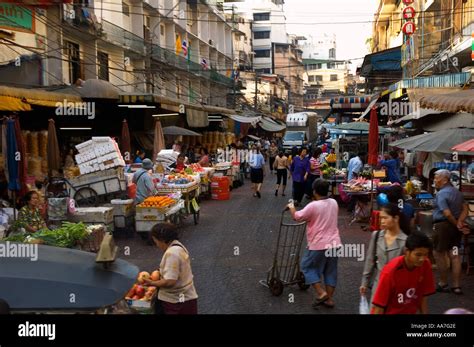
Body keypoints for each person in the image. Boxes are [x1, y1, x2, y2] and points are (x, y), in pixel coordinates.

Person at [288, 179, 341, 309]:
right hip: (334, 243)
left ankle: (321, 293)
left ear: (315, 191)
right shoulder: (334, 202)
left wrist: (291, 207)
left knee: (306, 266)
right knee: (330, 271)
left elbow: (297, 217)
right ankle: (329, 300)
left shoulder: (313, 205)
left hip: (319, 244)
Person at [371, 232, 436, 314]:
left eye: (425, 254)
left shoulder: (426, 265)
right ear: (407, 251)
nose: (422, 259)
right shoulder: (390, 271)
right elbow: (379, 306)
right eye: (418, 255)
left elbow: (423, 297)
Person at [360, 203, 410, 304]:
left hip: (397, 289)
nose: (382, 221)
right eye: (380, 218)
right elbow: (370, 260)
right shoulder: (377, 235)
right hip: (378, 286)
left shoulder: (406, 241)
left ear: (396, 218)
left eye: (385, 218)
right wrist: (364, 283)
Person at [144, 223, 198, 314]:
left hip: (176, 302)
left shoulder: (172, 253)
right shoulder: (177, 246)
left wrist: (152, 283)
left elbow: (170, 281)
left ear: (162, 239)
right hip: (185, 298)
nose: (156, 244)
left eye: (156, 241)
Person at [432, 169, 469, 295]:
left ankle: (443, 283)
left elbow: (447, 213)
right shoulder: (457, 193)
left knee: (439, 253)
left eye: (436, 178)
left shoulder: (441, 193)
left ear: (445, 180)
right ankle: (456, 286)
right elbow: (465, 209)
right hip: (454, 228)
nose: (434, 180)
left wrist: (456, 223)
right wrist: (459, 222)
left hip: (443, 227)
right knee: (455, 255)